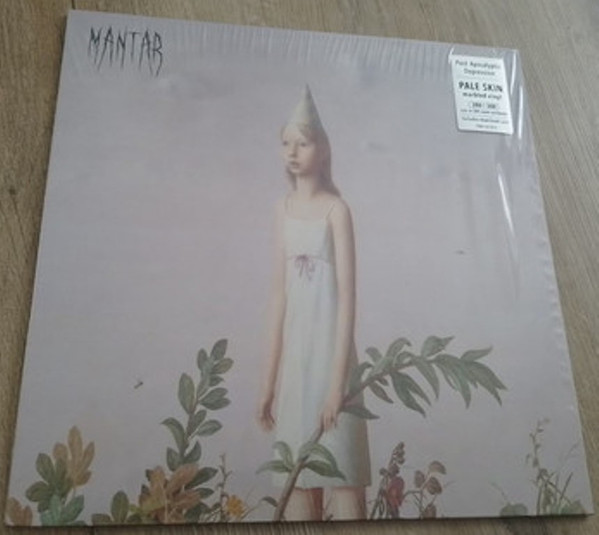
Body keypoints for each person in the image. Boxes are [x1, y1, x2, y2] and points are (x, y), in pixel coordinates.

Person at [257, 86, 371, 521]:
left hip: (332, 362)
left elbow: (347, 300)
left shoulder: (336, 211)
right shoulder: (281, 210)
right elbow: (278, 297)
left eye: (302, 143)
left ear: (322, 150)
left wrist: (336, 386)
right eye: (286, 143)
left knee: (344, 482)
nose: (292, 152)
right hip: (296, 368)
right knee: (297, 486)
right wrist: (269, 383)